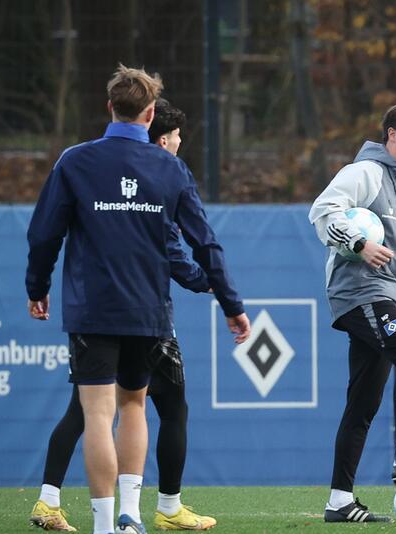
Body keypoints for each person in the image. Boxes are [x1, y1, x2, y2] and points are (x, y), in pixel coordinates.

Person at [26, 66, 250, 534]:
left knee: (97, 413)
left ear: (111, 107)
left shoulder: (75, 161)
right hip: (148, 312)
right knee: (133, 406)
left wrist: (37, 286)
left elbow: (44, 233)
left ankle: (106, 526)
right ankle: (132, 516)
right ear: (150, 114)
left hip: (93, 309)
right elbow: (204, 242)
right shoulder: (169, 167)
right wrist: (231, 304)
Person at [308, 102, 396, 523]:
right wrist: (358, 243)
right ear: (391, 135)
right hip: (359, 292)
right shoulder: (364, 173)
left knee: (362, 404)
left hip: (388, 295)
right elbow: (322, 212)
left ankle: (339, 502)